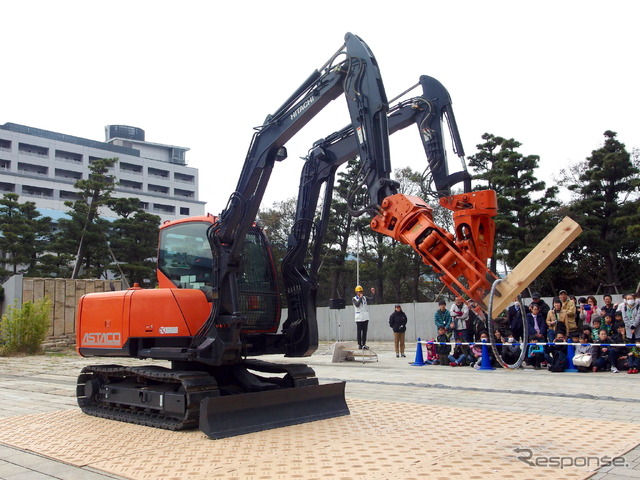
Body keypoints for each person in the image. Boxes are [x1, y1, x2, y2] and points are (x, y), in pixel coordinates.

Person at [352, 285, 372, 349]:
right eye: (359, 291)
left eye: (361, 291)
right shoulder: (354, 299)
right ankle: (359, 344)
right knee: (359, 331)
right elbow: (357, 305)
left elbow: (372, 299)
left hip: (365, 317)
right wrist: (360, 298)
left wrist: (373, 293)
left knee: (364, 331)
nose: (360, 293)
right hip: (359, 318)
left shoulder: (364, 298)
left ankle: (364, 344)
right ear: (356, 292)